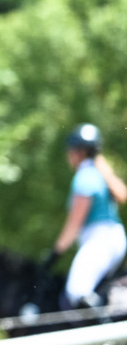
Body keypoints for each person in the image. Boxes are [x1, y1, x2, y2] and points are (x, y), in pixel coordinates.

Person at [49, 124, 127, 310]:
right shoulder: (99, 174)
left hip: (100, 242)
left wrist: (54, 254)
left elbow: (74, 225)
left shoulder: (84, 178)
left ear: (78, 152)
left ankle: (106, 337)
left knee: (76, 292)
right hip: (112, 240)